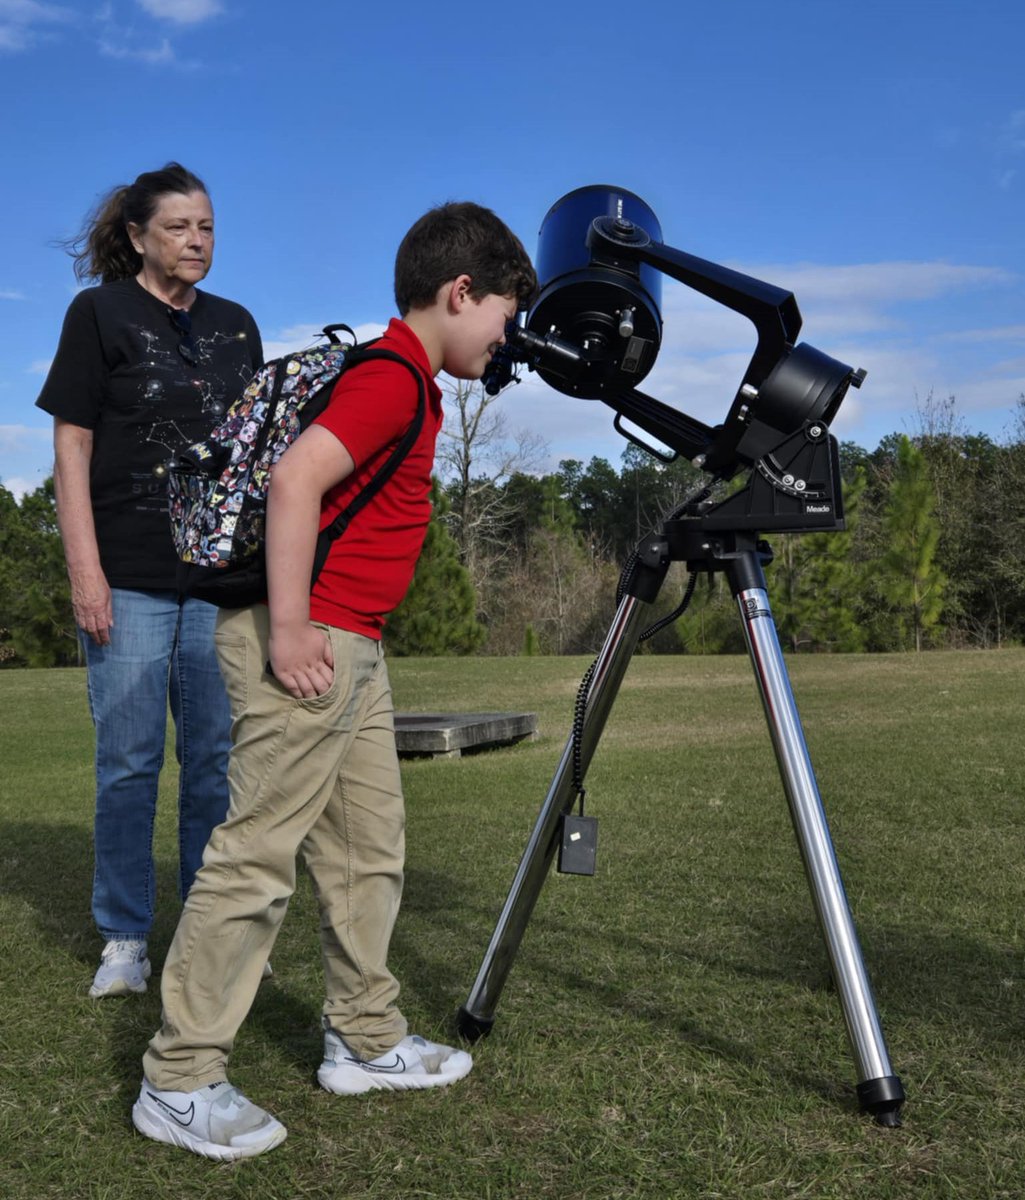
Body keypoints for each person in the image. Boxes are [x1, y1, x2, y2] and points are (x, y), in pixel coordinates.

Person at [132, 201, 537, 1160]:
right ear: (461, 291)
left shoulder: (417, 382)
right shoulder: (394, 376)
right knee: (256, 856)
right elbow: (294, 481)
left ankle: (364, 1037)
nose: (508, 340)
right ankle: (179, 1080)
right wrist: (287, 630)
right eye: (505, 316)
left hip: (353, 643)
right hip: (307, 642)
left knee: (367, 849)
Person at [35, 163, 264, 999]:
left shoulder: (238, 327)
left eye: (206, 226)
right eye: (178, 228)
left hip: (219, 581)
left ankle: (207, 935)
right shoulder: (97, 314)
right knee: (129, 762)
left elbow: (255, 458)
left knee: (213, 761)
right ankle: (126, 938)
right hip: (126, 577)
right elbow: (72, 448)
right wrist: (85, 575)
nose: (196, 241)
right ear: (137, 236)